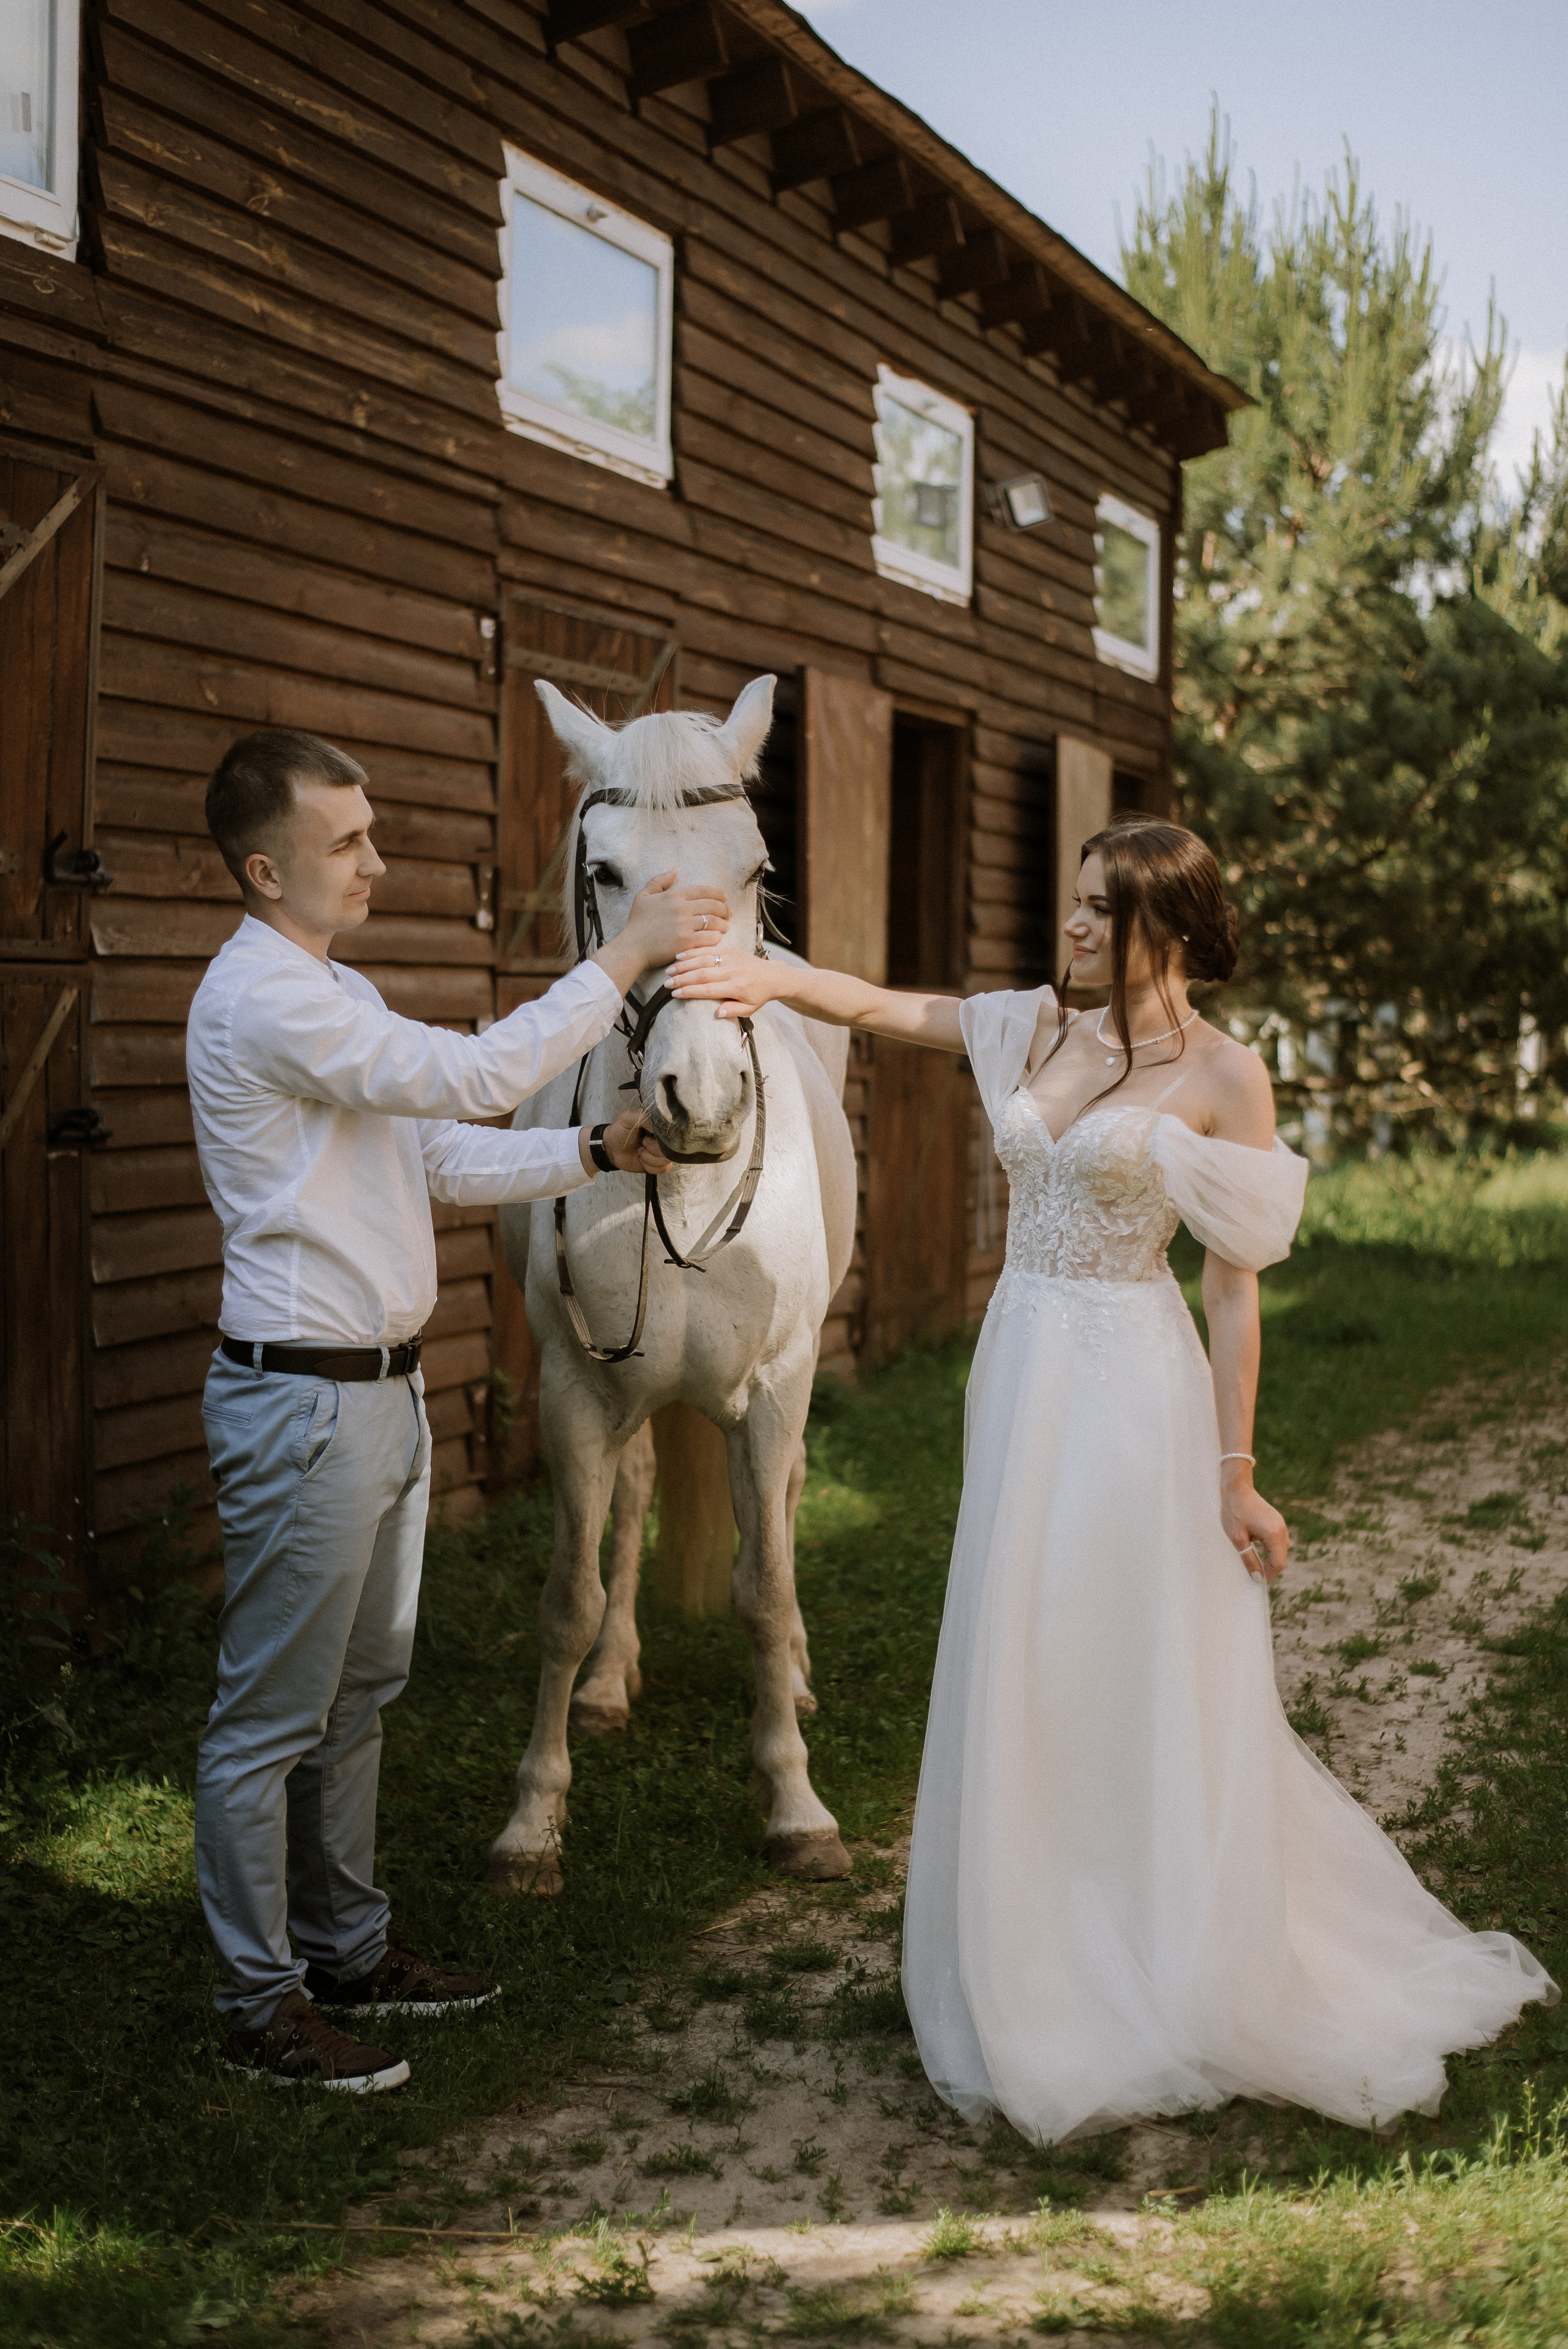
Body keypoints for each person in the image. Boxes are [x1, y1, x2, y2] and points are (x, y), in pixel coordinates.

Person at [672, 813, 1556, 2141]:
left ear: (1171, 927)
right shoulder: (1038, 1026)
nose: (1074, 924)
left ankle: (1158, 1948)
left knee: (1119, 1651)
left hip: (1133, 1388)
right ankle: (1027, 1945)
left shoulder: (1226, 1075)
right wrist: (765, 973)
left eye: (1102, 907)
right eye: (1075, 899)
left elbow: (1234, 1291)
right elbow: (889, 1007)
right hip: (1019, 1372)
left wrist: (1235, 1472)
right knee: (1024, 1649)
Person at [189, 727, 724, 2094]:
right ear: (264, 870)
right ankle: (260, 2006)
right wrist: (623, 956)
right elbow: (476, 1077)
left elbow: (438, 1150)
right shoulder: (265, 1000)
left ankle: (348, 1949)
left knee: (359, 1693)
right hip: (304, 1402)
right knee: (269, 1720)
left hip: (375, 1394)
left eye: (371, 831)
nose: (375, 859)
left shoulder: (333, 990)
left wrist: (593, 1146)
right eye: (345, 841)